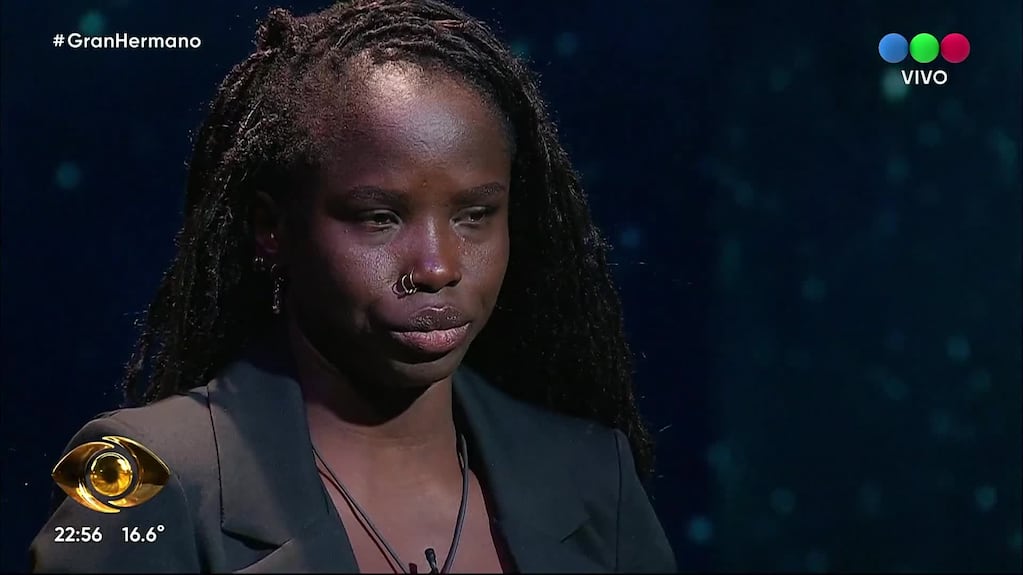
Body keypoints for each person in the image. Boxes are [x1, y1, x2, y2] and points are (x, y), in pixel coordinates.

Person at [30, 0, 675, 572]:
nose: (437, 267)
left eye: (475, 215)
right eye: (379, 218)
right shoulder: (136, 472)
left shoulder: (595, 477)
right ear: (271, 228)